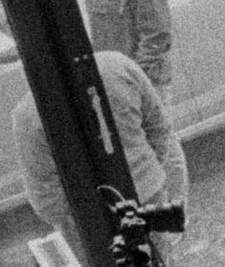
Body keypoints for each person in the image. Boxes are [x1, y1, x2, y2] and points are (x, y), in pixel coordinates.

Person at [13, 50, 188, 243]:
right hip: (149, 196)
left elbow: (44, 194)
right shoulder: (119, 65)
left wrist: (78, 220)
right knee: (160, 261)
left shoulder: (29, 113)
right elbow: (159, 127)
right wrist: (149, 173)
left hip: (93, 221)